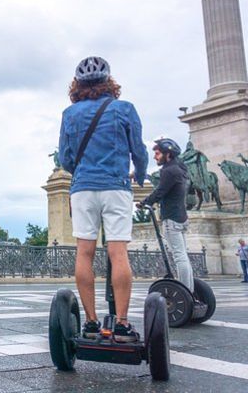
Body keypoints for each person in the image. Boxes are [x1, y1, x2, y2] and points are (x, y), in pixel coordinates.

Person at [58, 56, 148, 343]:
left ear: (77, 85)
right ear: (109, 82)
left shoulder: (69, 114)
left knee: (84, 252)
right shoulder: (124, 109)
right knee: (117, 252)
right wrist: (141, 174)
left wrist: (83, 173)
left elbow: (66, 158)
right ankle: (121, 324)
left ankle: (91, 323)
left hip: (83, 189)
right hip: (116, 186)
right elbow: (139, 151)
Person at [138, 138, 194, 293]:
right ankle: (190, 289)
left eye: (157, 153)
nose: (155, 157)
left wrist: (143, 202)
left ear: (167, 154)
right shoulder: (180, 169)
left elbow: (160, 192)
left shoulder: (168, 171)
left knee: (179, 257)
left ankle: (185, 291)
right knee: (184, 256)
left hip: (171, 219)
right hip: (182, 218)